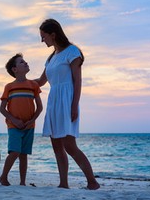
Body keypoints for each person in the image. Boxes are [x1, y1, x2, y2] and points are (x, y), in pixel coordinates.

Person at [34, 18, 100, 190]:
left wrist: (73, 105)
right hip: (54, 100)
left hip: (67, 100)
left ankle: (92, 182)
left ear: (53, 34)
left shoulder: (72, 52)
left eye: (43, 36)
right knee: (56, 145)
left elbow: (77, 81)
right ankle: (63, 183)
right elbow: (41, 81)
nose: (42, 40)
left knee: (69, 145)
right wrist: (20, 83)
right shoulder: (51, 58)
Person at [0, 53, 43, 186]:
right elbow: (2, 109)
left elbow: (39, 107)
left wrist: (31, 120)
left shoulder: (33, 85)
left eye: (25, 61)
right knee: (15, 151)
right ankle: (3, 177)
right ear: (15, 69)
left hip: (29, 126)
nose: (25, 63)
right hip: (14, 126)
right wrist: (14, 120)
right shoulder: (9, 87)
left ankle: (22, 182)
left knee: (24, 154)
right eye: (21, 62)